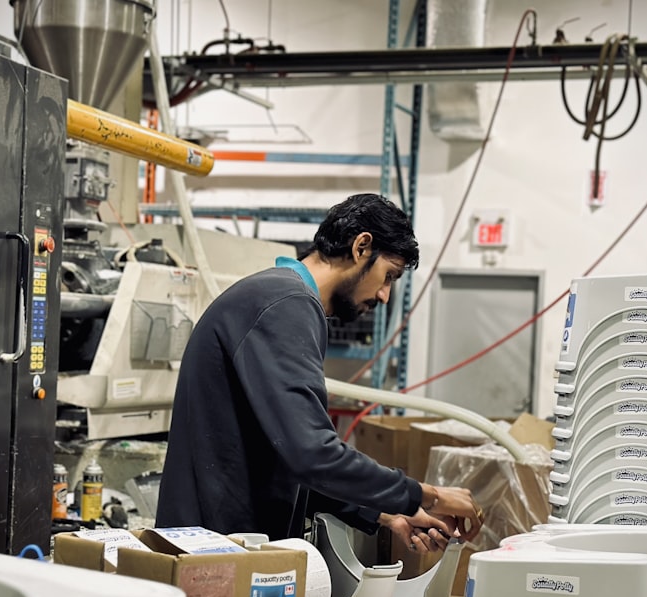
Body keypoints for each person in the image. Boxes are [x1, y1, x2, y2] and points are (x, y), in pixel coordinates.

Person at [156, 193, 482, 552]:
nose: (386, 295)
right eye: (388, 275)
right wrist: (428, 496)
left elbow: (286, 460)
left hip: (223, 546)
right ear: (361, 247)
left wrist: (384, 513)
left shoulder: (280, 299)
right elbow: (313, 455)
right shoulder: (286, 304)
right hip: (216, 553)